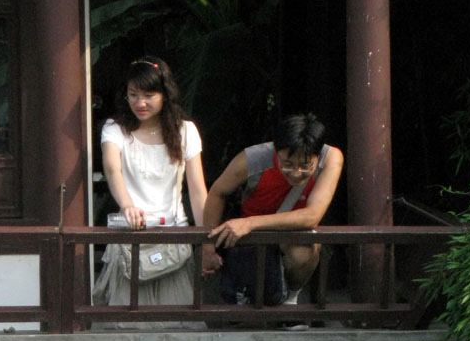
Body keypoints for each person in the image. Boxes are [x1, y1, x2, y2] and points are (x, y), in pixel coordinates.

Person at [93, 57, 209, 306]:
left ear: (164, 94)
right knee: (126, 322)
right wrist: (127, 205)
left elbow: (198, 191)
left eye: (148, 95)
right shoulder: (115, 128)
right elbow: (113, 170)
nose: (140, 103)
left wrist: (207, 241)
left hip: (174, 237)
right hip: (130, 235)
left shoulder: (186, 130)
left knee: (177, 319)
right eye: (133, 94)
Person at [202, 113, 343, 305]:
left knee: (303, 253)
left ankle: (290, 302)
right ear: (276, 151)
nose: (295, 173)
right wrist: (207, 247)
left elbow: (312, 215)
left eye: (305, 166)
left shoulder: (331, 157)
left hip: (288, 234)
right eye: (287, 164)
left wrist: (250, 223)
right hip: (250, 240)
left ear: (317, 158)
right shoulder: (251, 159)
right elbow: (217, 192)